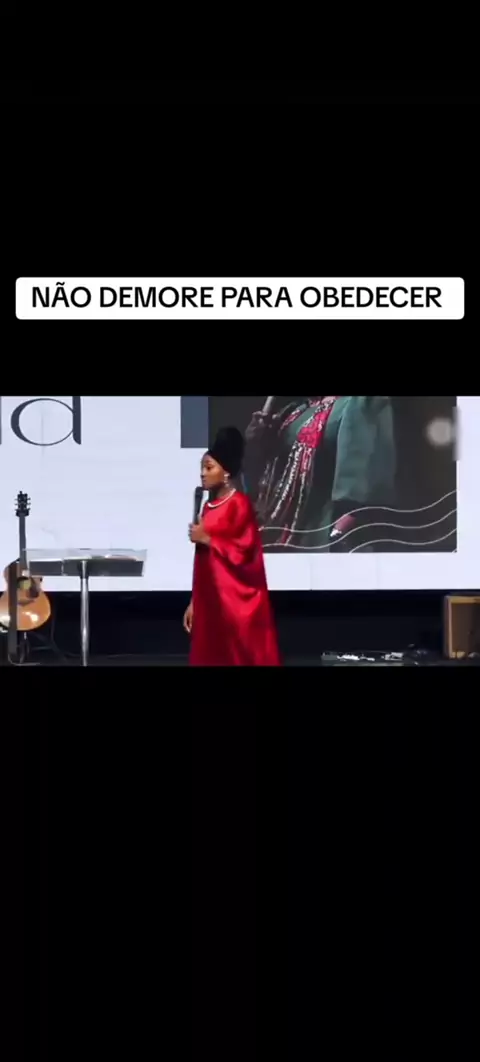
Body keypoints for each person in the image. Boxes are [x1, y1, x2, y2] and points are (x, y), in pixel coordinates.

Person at [244, 396, 396, 552]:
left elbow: (364, 472)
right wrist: (259, 437)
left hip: (325, 528)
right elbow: (270, 463)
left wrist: (340, 531)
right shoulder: (297, 410)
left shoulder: (357, 402)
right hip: (283, 526)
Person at [184, 427, 281, 666]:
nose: (203, 474)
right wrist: (195, 601)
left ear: (226, 472)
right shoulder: (207, 508)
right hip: (210, 599)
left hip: (234, 600)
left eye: (209, 468)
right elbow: (202, 561)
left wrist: (207, 539)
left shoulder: (239, 505)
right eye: (202, 468)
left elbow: (244, 552)